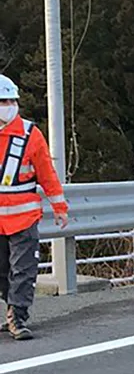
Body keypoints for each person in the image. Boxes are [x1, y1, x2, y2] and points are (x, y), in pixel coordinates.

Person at [0, 75, 69, 340]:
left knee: (23, 269)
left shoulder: (29, 134)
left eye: (11, 100)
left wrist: (59, 206)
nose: (8, 105)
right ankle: (10, 310)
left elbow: (47, 174)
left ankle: (18, 317)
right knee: (3, 271)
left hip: (24, 217)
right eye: (3, 101)